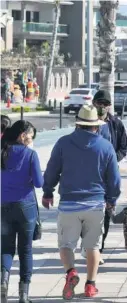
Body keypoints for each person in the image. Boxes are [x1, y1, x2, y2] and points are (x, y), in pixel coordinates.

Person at [42, 105, 121, 300]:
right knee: (93, 246)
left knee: (66, 244)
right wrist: (111, 199)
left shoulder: (63, 143)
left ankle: (71, 273)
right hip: (95, 203)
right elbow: (114, 179)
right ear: (96, 126)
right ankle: (90, 286)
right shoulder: (105, 146)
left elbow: (52, 170)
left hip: (69, 203)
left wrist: (47, 192)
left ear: (78, 123)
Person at [1, 120, 43, 303]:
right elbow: (39, 183)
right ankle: (23, 295)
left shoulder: (2, 152)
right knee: (25, 250)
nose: (31, 139)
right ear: (22, 134)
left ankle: (3, 278)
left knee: (6, 247)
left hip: (3, 205)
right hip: (26, 207)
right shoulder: (31, 154)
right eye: (30, 136)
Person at [92, 90, 127, 255]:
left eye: (105, 104)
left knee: (107, 209)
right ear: (94, 104)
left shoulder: (115, 123)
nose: (102, 107)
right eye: (99, 103)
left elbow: (123, 146)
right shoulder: (86, 121)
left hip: (109, 173)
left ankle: (99, 246)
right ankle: (90, 244)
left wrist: (113, 160)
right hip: (89, 173)